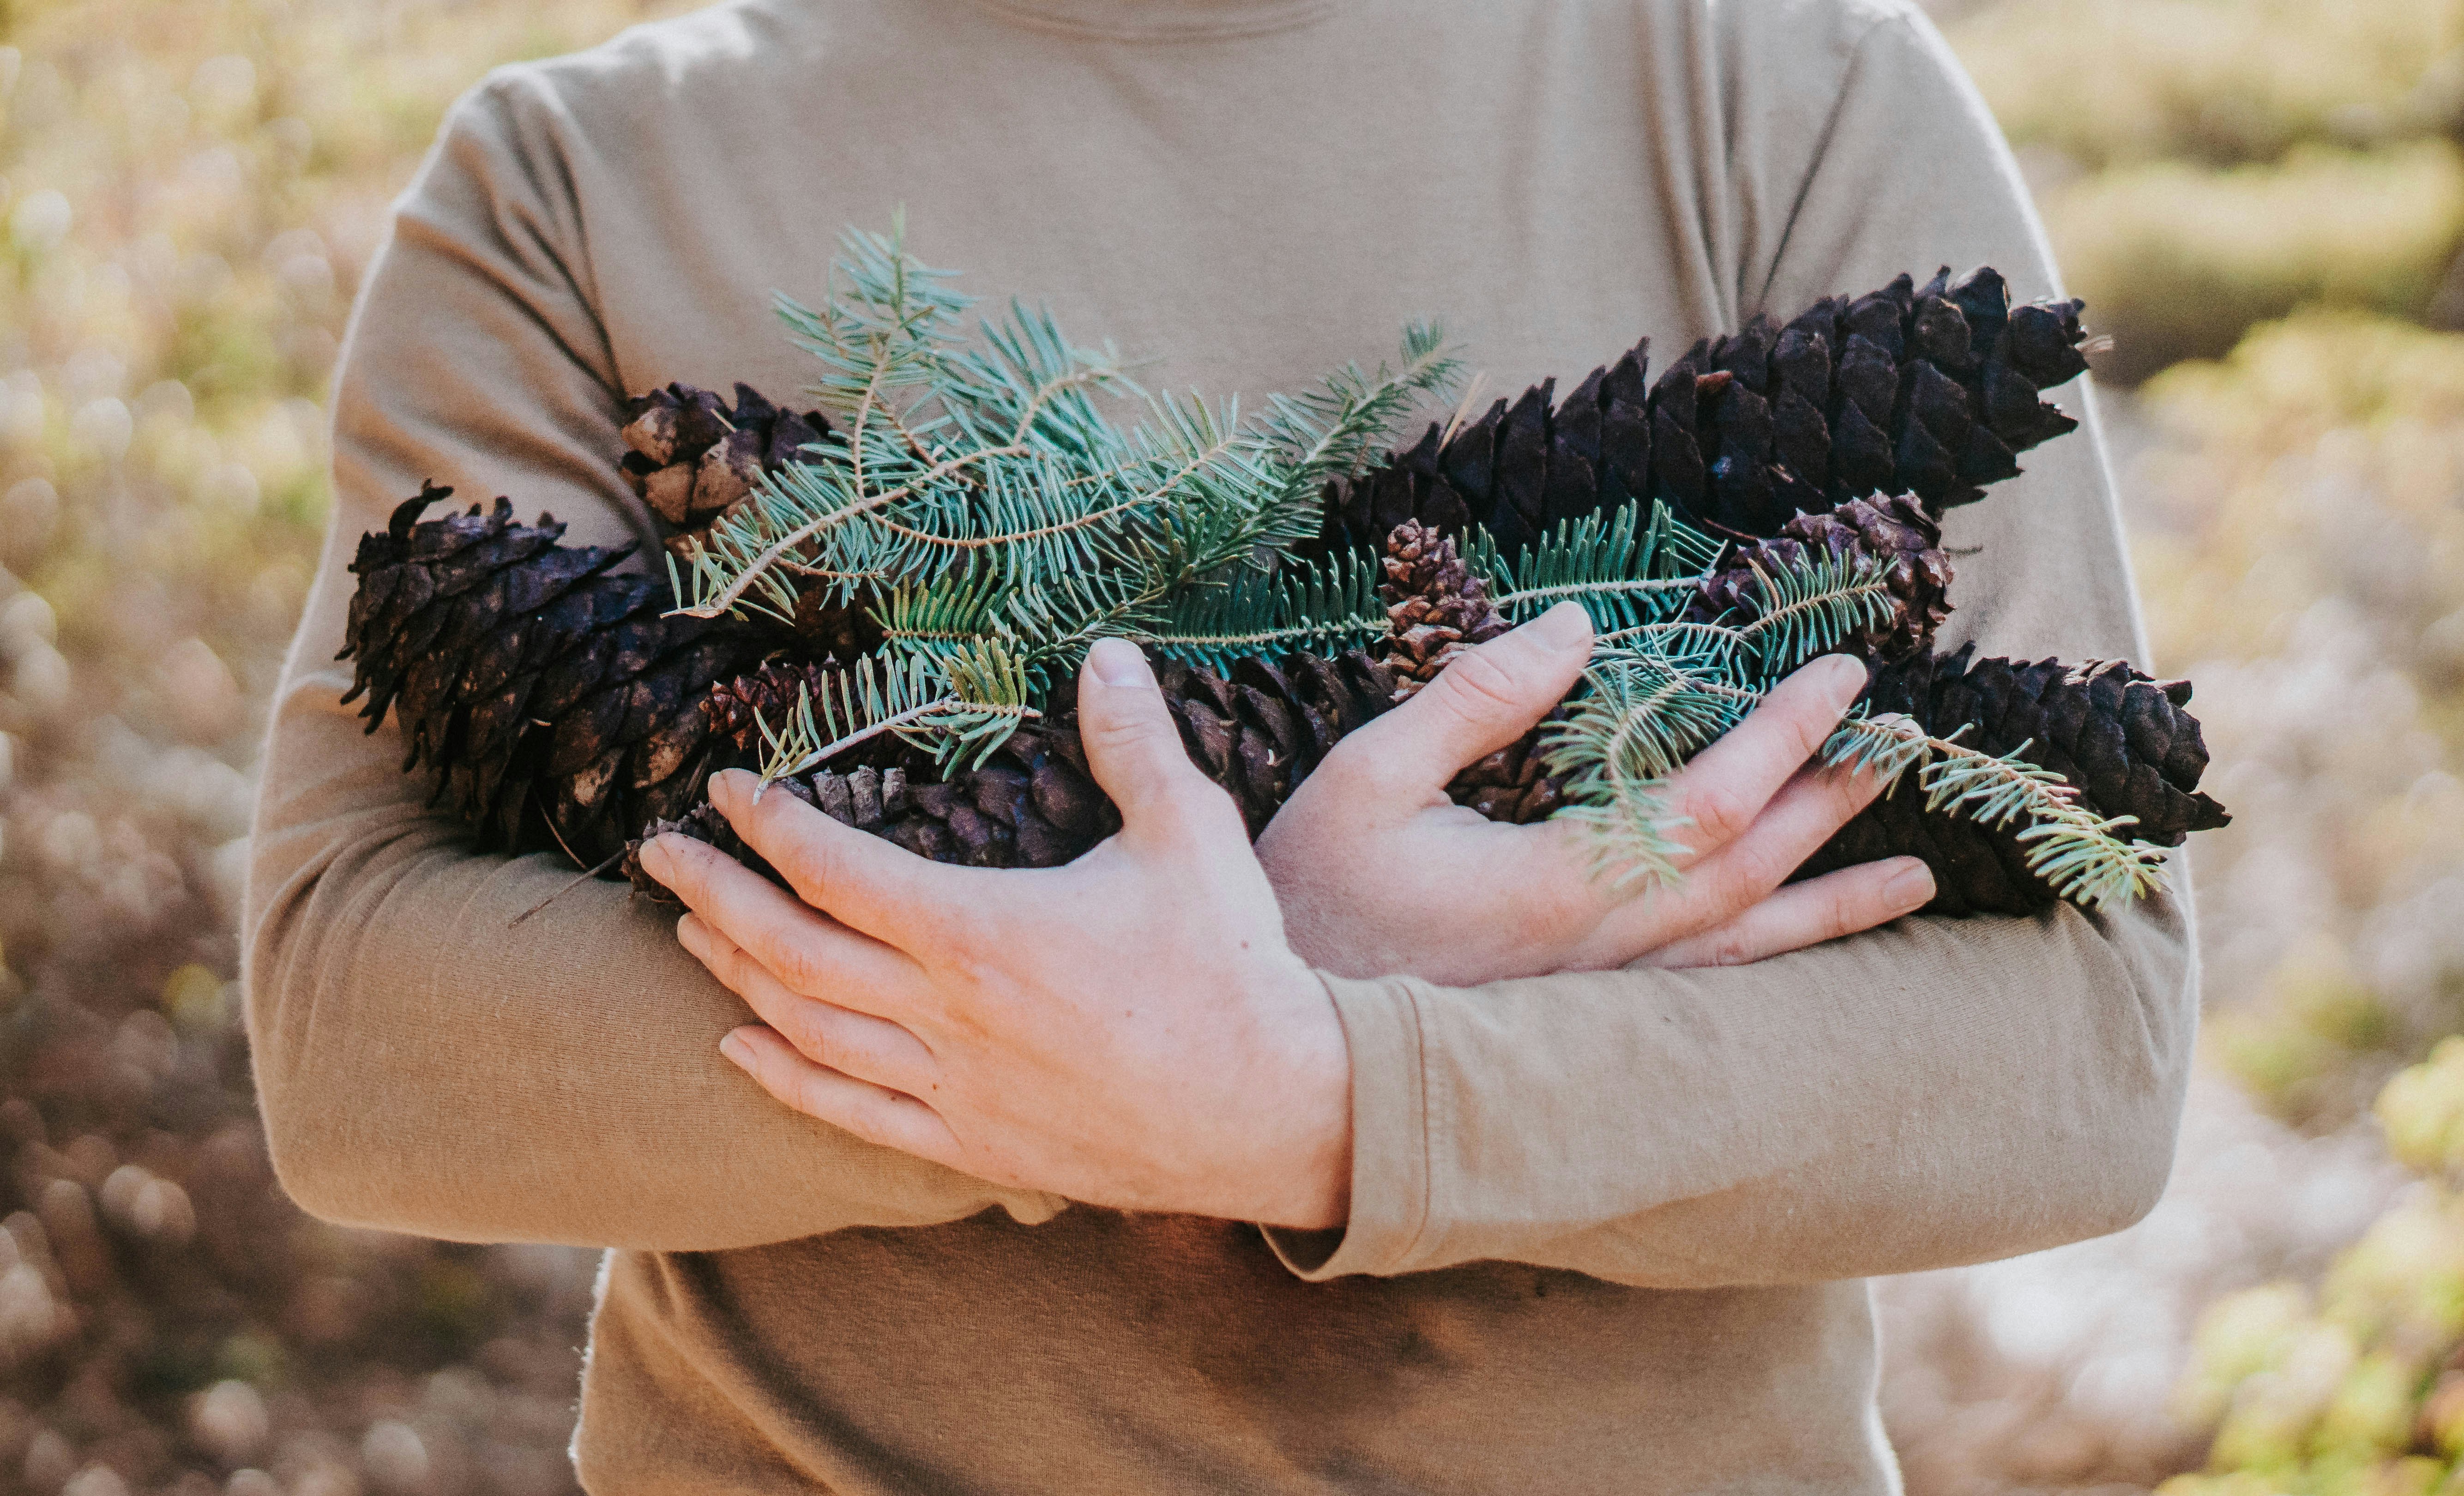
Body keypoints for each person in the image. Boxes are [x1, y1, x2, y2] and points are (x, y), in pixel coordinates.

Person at [243, 0, 2196, 1489]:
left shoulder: (1776, 82)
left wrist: (1340, 1092)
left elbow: (2084, 1041)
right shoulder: (583, 174)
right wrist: (1133, 1029)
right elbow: (355, 1031)